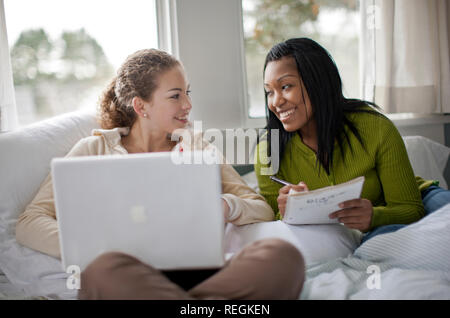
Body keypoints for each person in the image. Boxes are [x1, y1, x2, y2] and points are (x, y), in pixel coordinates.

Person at [16, 49, 305, 299]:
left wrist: (225, 205)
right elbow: (30, 222)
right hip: (130, 275)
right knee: (101, 273)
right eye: (175, 96)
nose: (188, 105)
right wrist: (97, 244)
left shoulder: (196, 147)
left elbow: (261, 210)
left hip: (201, 273)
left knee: (282, 257)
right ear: (141, 106)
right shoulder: (94, 148)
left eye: (187, 93)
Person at [254, 38, 450, 244]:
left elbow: (411, 209)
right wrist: (289, 213)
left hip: (415, 202)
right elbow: (275, 224)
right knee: (383, 244)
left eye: (285, 86)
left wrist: (373, 216)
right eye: (269, 92)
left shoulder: (373, 126)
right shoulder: (268, 152)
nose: (276, 102)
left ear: (318, 83)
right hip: (368, 231)